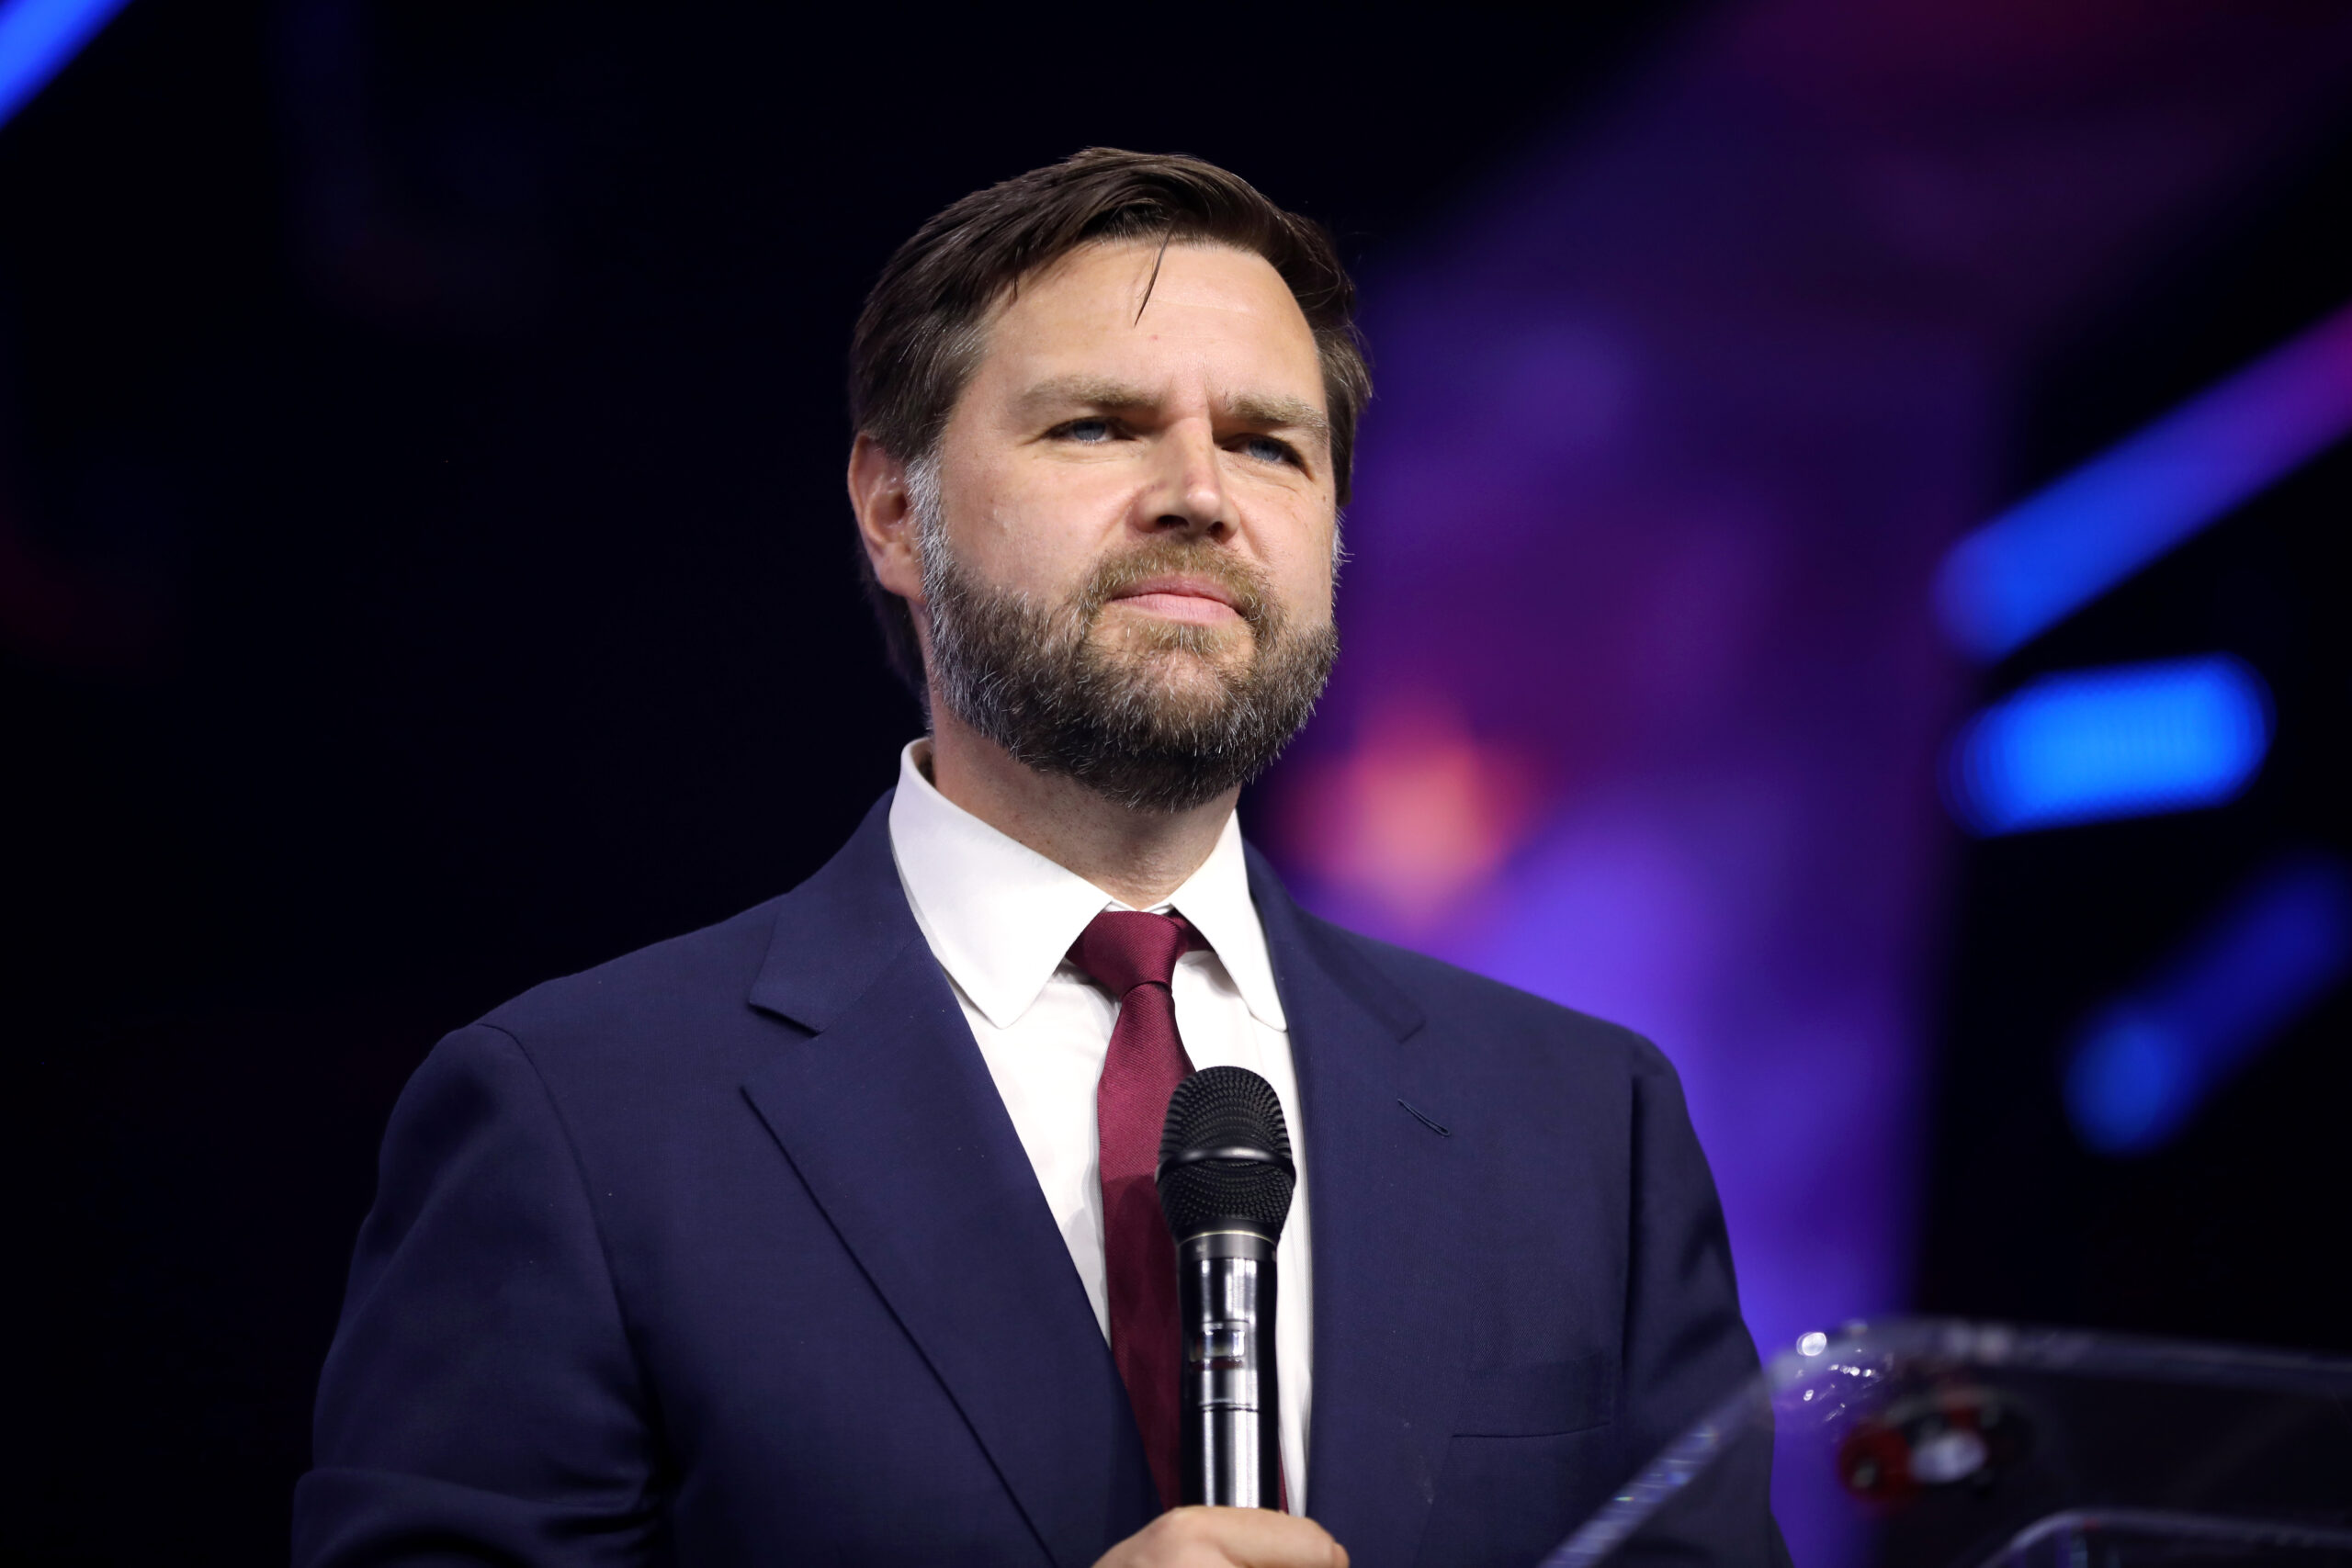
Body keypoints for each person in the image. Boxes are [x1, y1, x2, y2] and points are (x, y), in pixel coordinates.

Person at [295, 149, 1770, 1568]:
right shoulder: (581, 1119)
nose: (1200, 493)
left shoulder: (1588, 1127)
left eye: (1268, 444)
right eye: (1099, 427)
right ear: (895, 510)